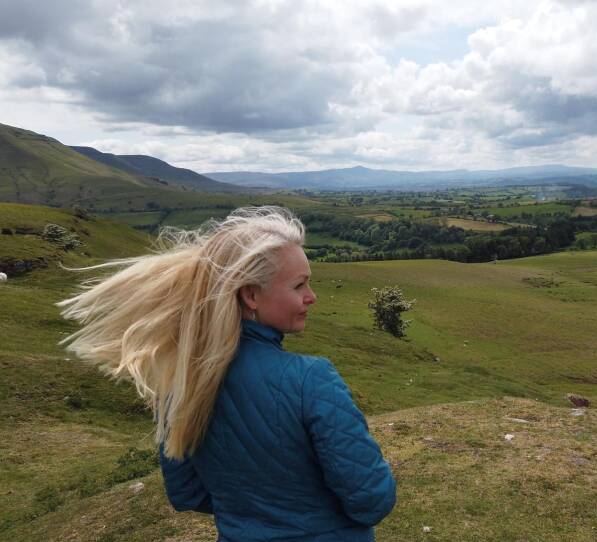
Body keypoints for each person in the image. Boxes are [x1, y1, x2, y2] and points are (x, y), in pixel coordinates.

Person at [56, 206, 396, 541]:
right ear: (251, 295)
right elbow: (372, 501)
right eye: (299, 286)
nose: (311, 297)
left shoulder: (181, 380)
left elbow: (187, 492)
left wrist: (253, 513)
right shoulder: (312, 380)